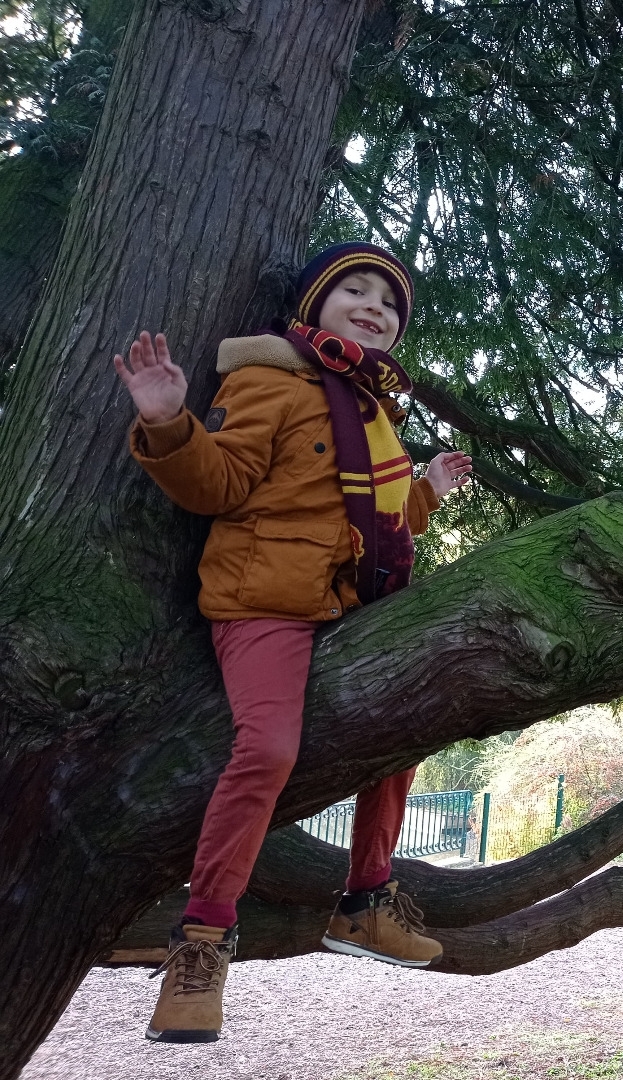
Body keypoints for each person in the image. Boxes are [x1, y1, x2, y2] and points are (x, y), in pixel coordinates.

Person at [115, 242, 473, 1044]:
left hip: (351, 604)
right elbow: (221, 484)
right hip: (264, 599)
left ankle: (365, 901)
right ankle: (202, 941)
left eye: (389, 301)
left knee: (406, 728)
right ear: (314, 303)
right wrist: (167, 421)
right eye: (356, 289)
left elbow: (374, 519)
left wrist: (424, 493)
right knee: (268, 748)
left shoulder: (375, 410)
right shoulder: (269, 380)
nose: (374, 306)